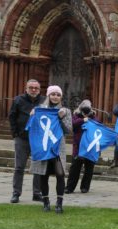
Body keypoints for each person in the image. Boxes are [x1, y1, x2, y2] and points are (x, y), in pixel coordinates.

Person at [28, 85, 72, 213]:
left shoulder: (65, 111)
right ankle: (46, 202)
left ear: (61, 97)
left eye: (58, 95)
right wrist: (32, 116)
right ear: (48, 95)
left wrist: (61, 118)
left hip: (57, 147)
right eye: (53, 94)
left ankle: (59, 203)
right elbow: (33, 128)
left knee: (60, 174)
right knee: (43, 174)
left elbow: (68, 130)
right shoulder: (39, 109)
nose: (55, 97)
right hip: (43, 147)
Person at [8, 79, 44, 203]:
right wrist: (15, 134)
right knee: (19, 167)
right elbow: (12, 116)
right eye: (31, 87)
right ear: (26, 88)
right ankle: (16, 193)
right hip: (22, 139)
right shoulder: (18, 100)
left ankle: (37, 193)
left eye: (36, 88)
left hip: (38, 139)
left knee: (38, 167)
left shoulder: (44, 101)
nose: (34, 90)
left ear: (39, 90)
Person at [66, 100, 96, 194]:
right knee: (75, 168)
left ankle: (85, 187)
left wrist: (90, 118)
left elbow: (98, 125)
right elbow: (72, 125)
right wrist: (83, 120)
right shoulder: (76, 115)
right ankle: (69, 187)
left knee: (89, 168)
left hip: (90, 146)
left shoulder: (93, 116)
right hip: (78, 146)